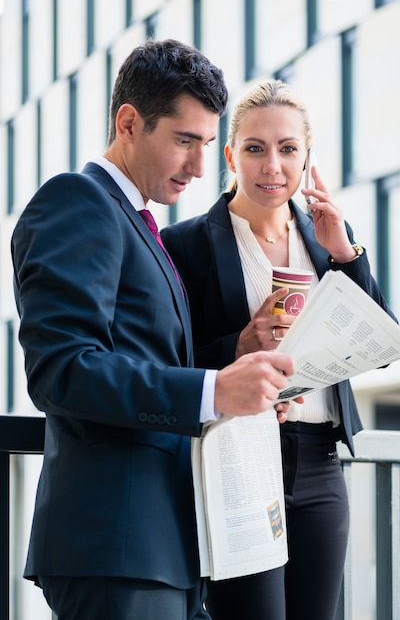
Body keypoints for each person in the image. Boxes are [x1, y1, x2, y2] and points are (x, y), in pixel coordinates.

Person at [10, 44, 298, 620]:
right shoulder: (79, 201)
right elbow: (61, 371)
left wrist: (238, 369)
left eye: (207, 146)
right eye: (184, 140)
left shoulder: (138, 223)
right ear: (128, 123)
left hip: (163, 544)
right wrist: (213, 391)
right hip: (116, 544)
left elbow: (145, 355)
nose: (197, 166)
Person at [161, 79, 397, 620]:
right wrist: (238, 346)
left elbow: (377, 342)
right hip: (237, 457)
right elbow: (170, 358)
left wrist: (347, 254)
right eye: (256, 148)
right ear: (230, 155)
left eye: (288, 149)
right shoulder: (187, 244)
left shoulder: (327, 240)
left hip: (319, 464)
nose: (273, 166)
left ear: (307, 156)